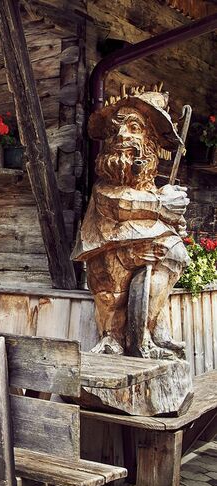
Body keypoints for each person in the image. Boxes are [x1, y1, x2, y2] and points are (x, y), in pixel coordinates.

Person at [73, 90, 189, 360]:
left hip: (146, 263)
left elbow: (160, 215)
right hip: (111, 269)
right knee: (112, 287)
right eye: (116, 129)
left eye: (133, 127)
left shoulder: (152, 189)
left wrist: (174, 217)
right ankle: (113, 337)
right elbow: (120, 204)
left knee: (175, 254)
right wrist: (161, 208)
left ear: (148, 140)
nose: (122, 135)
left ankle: (151, 333)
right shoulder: (107, 189)